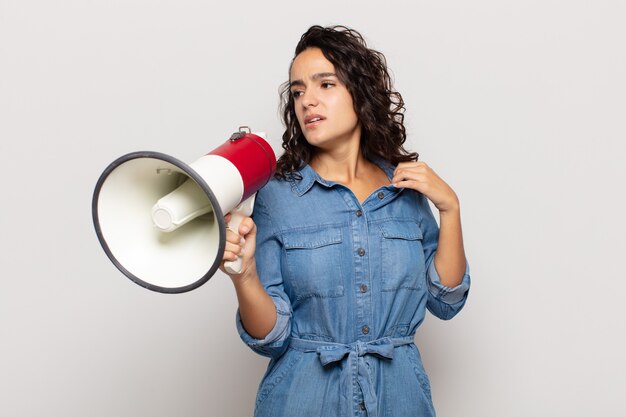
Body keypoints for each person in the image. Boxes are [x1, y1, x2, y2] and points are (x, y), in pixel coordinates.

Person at [220, 25, 471, 417]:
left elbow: (446, 300)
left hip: (400, 400)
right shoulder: (275, 197)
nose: (307, 101)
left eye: (326, 85)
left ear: (360, 92)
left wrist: (450, 209)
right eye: (299, 91)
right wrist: (244, 274)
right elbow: (271, 337)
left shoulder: (403, 187)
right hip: (302, 401)